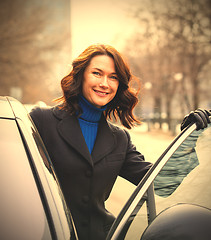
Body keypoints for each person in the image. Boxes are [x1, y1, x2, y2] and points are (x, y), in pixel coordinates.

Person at [30, 44, 211, 240]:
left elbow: (163, 184)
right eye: (97, 73)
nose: (105, 83)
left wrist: (189, 139)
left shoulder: (119, 139)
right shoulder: (41, 121)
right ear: (80, 75)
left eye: (113, 77)